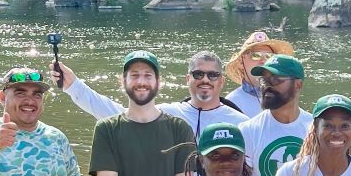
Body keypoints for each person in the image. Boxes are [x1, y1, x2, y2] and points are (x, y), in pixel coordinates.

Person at [55, 50, 247, 137]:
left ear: (221, 81)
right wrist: (75, 87)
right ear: (188, 79)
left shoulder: (242, 123)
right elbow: (116, 114)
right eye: (198, 74)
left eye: (212, 75)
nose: (205, 80)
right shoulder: (167, 114)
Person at [223, 31, 296, 118]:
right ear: (241, 63)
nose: (263, 60)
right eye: (256, 55)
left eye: (269, 56)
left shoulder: (286, 99)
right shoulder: (230, 103)